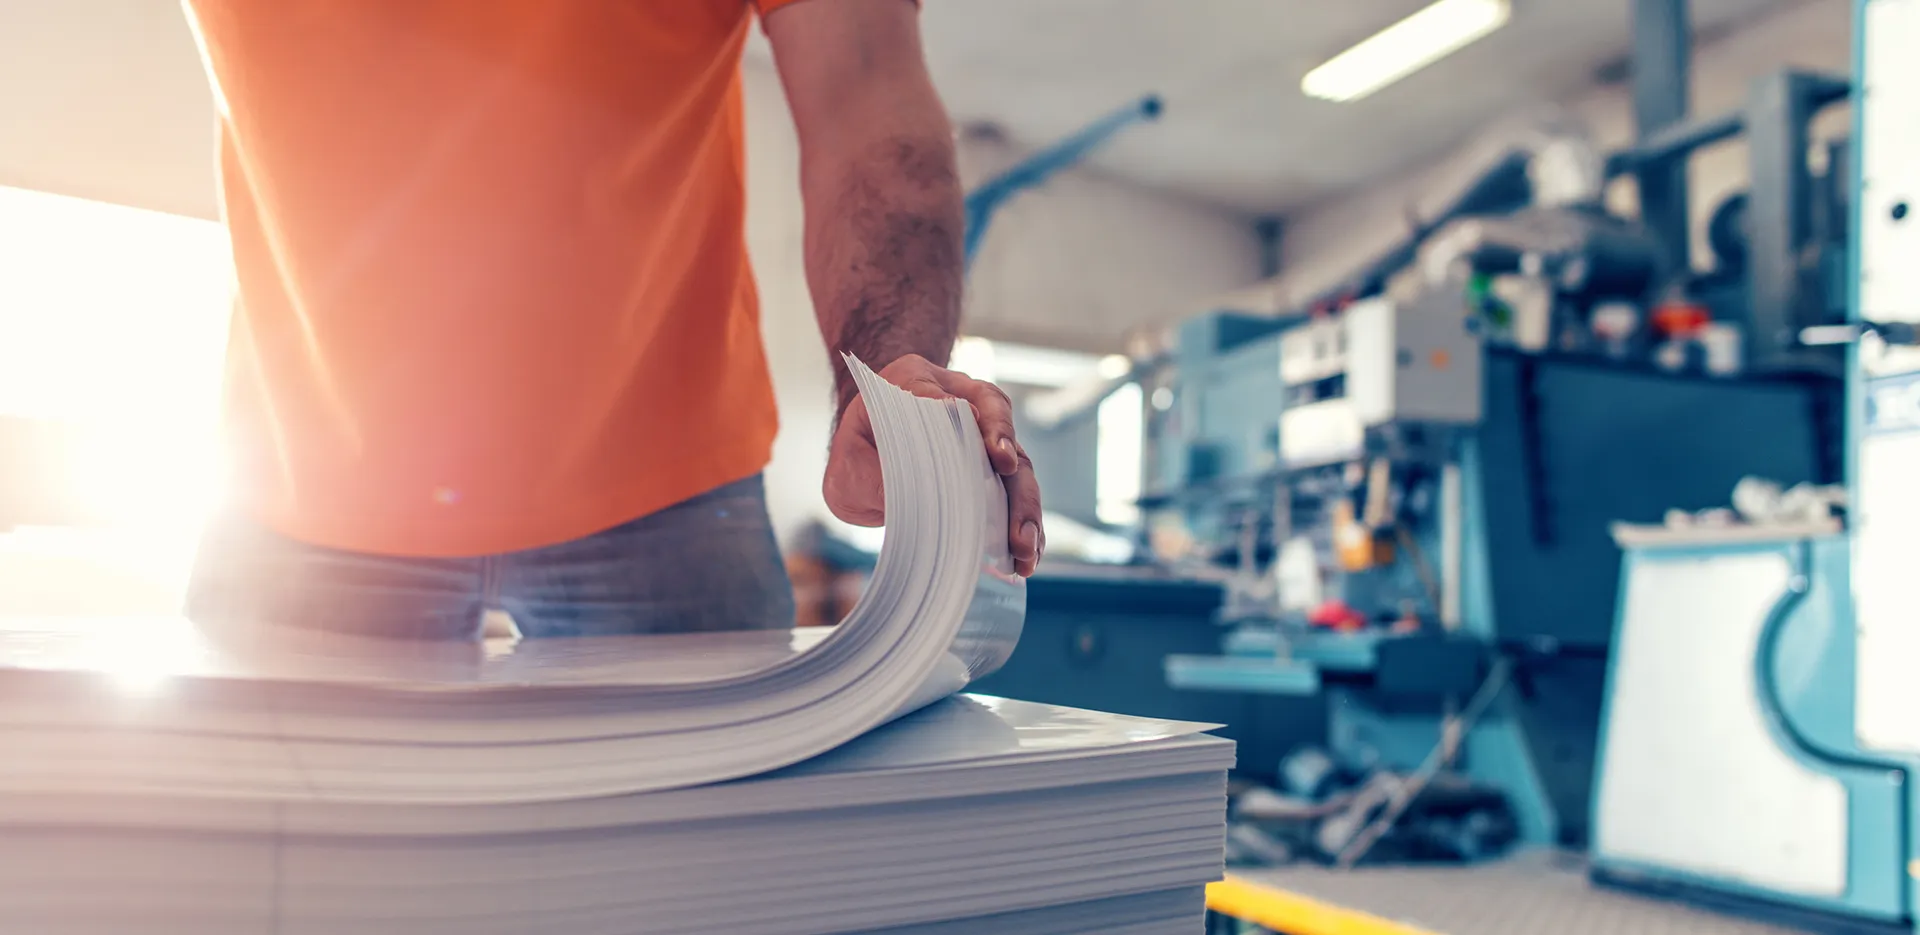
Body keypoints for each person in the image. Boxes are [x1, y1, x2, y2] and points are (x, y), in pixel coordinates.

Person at [179, 0, 1043, 639]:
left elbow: (868, 107)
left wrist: (892, 385)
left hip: (670, 489)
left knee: (710, 835)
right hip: (298, 484)